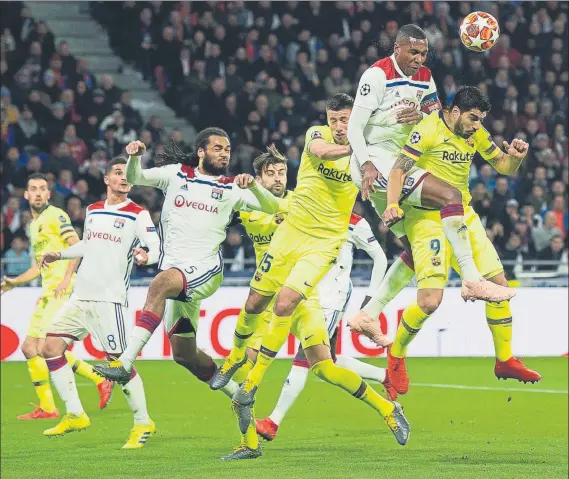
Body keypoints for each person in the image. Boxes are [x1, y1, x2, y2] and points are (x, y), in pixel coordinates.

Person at [211, 94, 410, 456]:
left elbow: (393, 160)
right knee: (300, 346)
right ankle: (247, 429)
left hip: (316, 261)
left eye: (344, 120)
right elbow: (321, 152)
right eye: (334, 119)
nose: (337, 126)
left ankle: (386, 410)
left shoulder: (289, 198)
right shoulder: (313, 140)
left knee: (305, 346)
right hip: (284, 258)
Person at [368, 86, 542, 397]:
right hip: (427, 218)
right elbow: (398, 170)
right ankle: (396, 355)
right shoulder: (428, 129)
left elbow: (502, 165)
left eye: (481, 120)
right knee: (429, 302)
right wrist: (393, 204)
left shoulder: (475, 134)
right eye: (474, 119)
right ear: (456, 112)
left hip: (462, 215)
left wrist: (516, 159)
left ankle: (504, 359)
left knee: (500, 286)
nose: (477, 125)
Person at [346, 25, 512, 341]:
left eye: (423, 53)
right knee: (450, 196)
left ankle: (368, 314)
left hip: (400, 160)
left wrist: (420, 112)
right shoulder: (377, 75)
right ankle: (473, 278)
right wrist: (366, 165)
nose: (419, 59)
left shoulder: (424, 77)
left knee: (413, 250)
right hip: (377, 161)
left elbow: (438, 117)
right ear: (397, 48)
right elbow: (355, 127)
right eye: (413, 52)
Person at [93, 130, 280, 404]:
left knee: (159, 284)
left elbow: (273, 206)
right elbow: (137, 177)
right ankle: (239, 395)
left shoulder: (231, 186)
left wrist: (253, 187)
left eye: (227, 148)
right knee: (184, 355)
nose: (224, 153)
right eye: (217, 147)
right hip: (177, 273)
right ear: (201, 151)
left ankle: (124, 362)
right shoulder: (177, 175)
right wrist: (135, 158)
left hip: (205, 269)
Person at [39, 158, 160, 448]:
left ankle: (143, 422)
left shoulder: (137, 214)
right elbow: (87, 245)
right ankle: (75, 414)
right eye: (118, 173)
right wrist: (61, 254)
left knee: (119, 365)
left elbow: (154, 247)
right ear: (106, 179)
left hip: (109, 300)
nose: (124, 178)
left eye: (127, 174)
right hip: (81, 296)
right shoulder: (93, 210)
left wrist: (146, 256)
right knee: (50, 347)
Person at [256, 211, 391, 441]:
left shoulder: (355, 222)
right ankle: (385, 376)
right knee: (330, 360)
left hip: (331, 300)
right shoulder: (310, 210)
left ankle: (273, 422)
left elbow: (380, 258)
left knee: (305, 358)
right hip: (309, 296)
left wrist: (369, 304)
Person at [0, 174, 112, 420]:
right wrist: (14, 282)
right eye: (33, 189)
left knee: (44, 347)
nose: (38, 193)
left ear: (48, 194)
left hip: (63, 289)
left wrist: (65, 278)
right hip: (48, 291)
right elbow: (37, 267)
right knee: (30, 348)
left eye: (42, 189)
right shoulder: (33, 225)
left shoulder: (56, 215)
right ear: (26, 195)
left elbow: (77, 246)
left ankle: (98, 378)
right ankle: (48, 407)